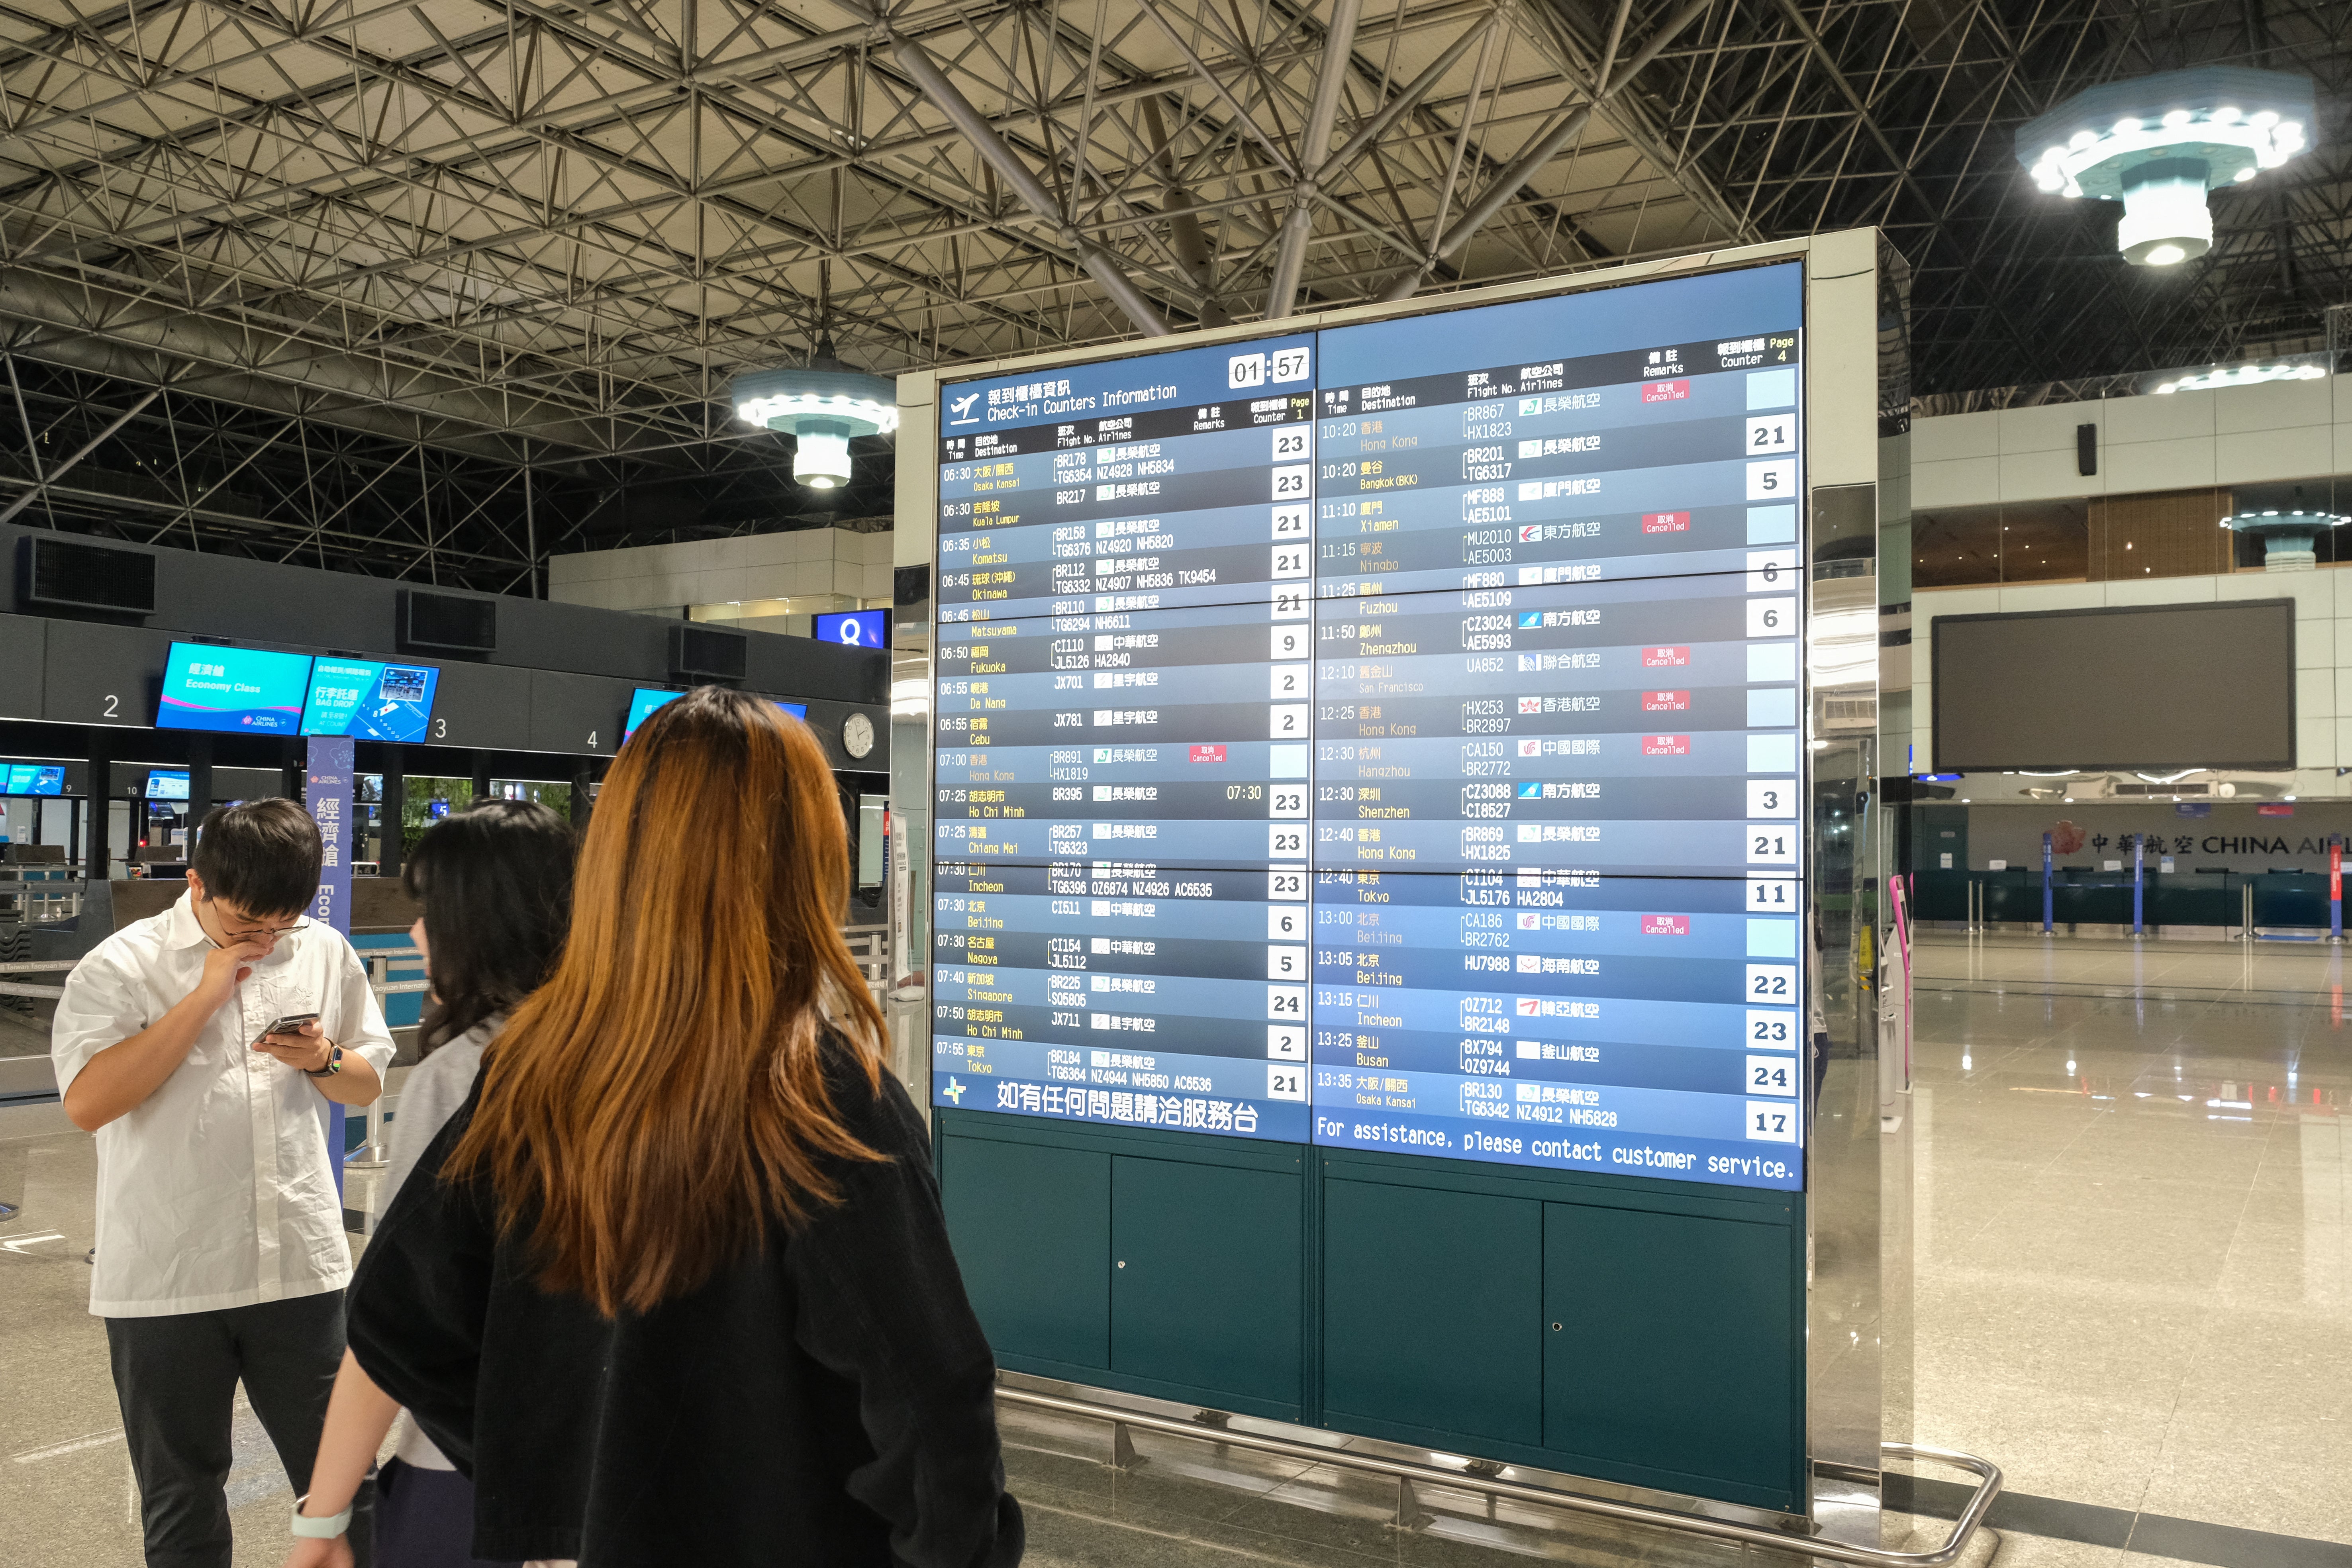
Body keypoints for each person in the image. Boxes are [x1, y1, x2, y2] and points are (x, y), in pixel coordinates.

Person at [323, 688, 1021, 1568]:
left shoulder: (533, 1070)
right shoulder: (821, 1095)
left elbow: (394, 1321)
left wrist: (556, 1474)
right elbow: (933, 1403)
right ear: (807, 857)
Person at [51, 796, 396, 1568]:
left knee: (344, 1485)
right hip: (168, 1277)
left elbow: (366, 1084)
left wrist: (321, 1059)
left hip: (298, 1268)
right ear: (199, 884)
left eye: (282, 925)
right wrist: (208, 993)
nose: (267, 942)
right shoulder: (122, 966)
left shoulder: (320, 950)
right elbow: (88, 1102)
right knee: (183, 1498)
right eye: (248, 925)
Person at [282, 801, 576, 1568]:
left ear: (485, 922)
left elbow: (402, 1323)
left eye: (432, 913)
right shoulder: (624, 1055)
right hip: (599, 1472)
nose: (416, 934)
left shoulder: (466, 1074)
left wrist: (322, 1518)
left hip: (463, 1473)